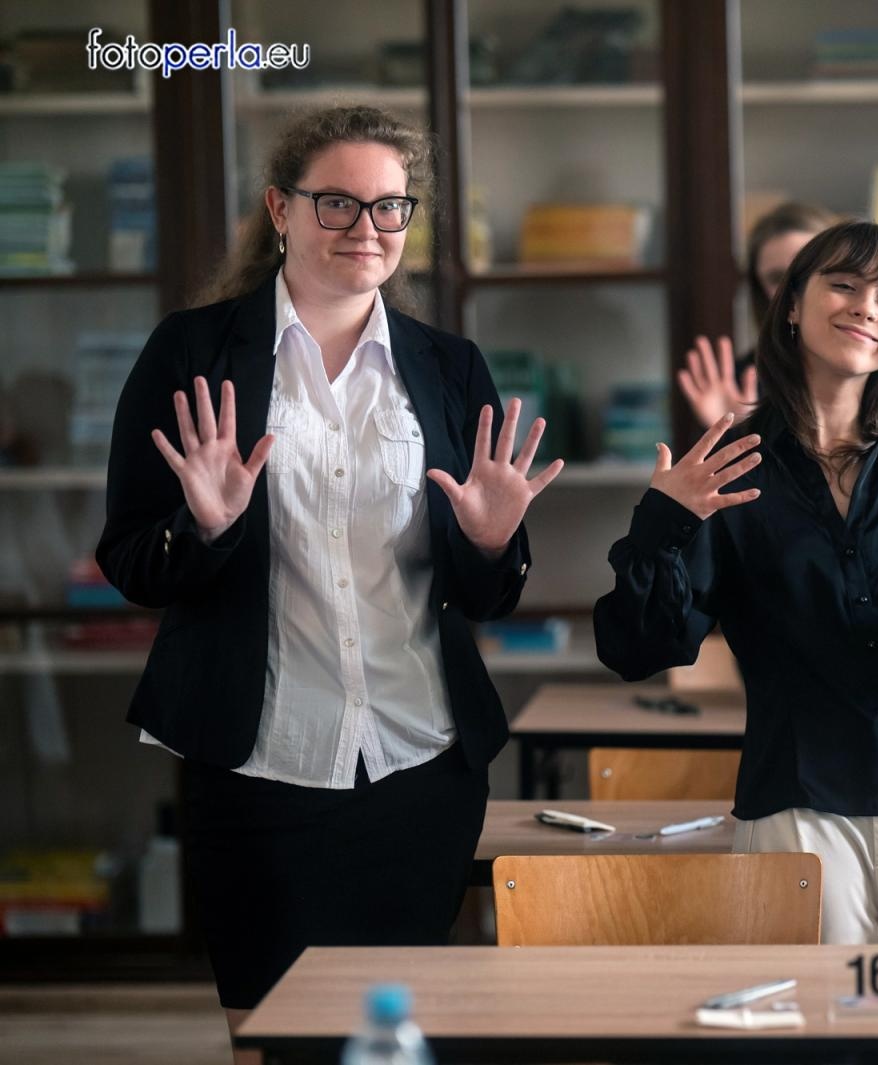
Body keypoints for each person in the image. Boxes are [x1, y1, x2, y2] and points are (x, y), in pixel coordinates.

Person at [95, 106, 562, 1062]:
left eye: (391, 207)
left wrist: (489, 543)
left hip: (420, 769)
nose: (368, 230)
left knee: (393, 1042)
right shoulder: (191, 353)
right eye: (339, 203)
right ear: (280, 207)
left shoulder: (446, 368)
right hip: (258, 764)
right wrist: (207, 527)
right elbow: (133, 560)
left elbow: (490, 591)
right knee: (274, 1042)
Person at [594, 220, 878, 1063]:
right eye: (843, 285)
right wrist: (660, 523)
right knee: (832, 1051)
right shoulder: (731, 463)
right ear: (792, 307)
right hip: (801, 808)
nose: (866, 308)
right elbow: (639, 647)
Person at [676, 201, 836, 429]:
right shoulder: (736, 385)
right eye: (776, 277)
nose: (792, 288)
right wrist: (734, 436)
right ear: (760, 290)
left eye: (808, 270)